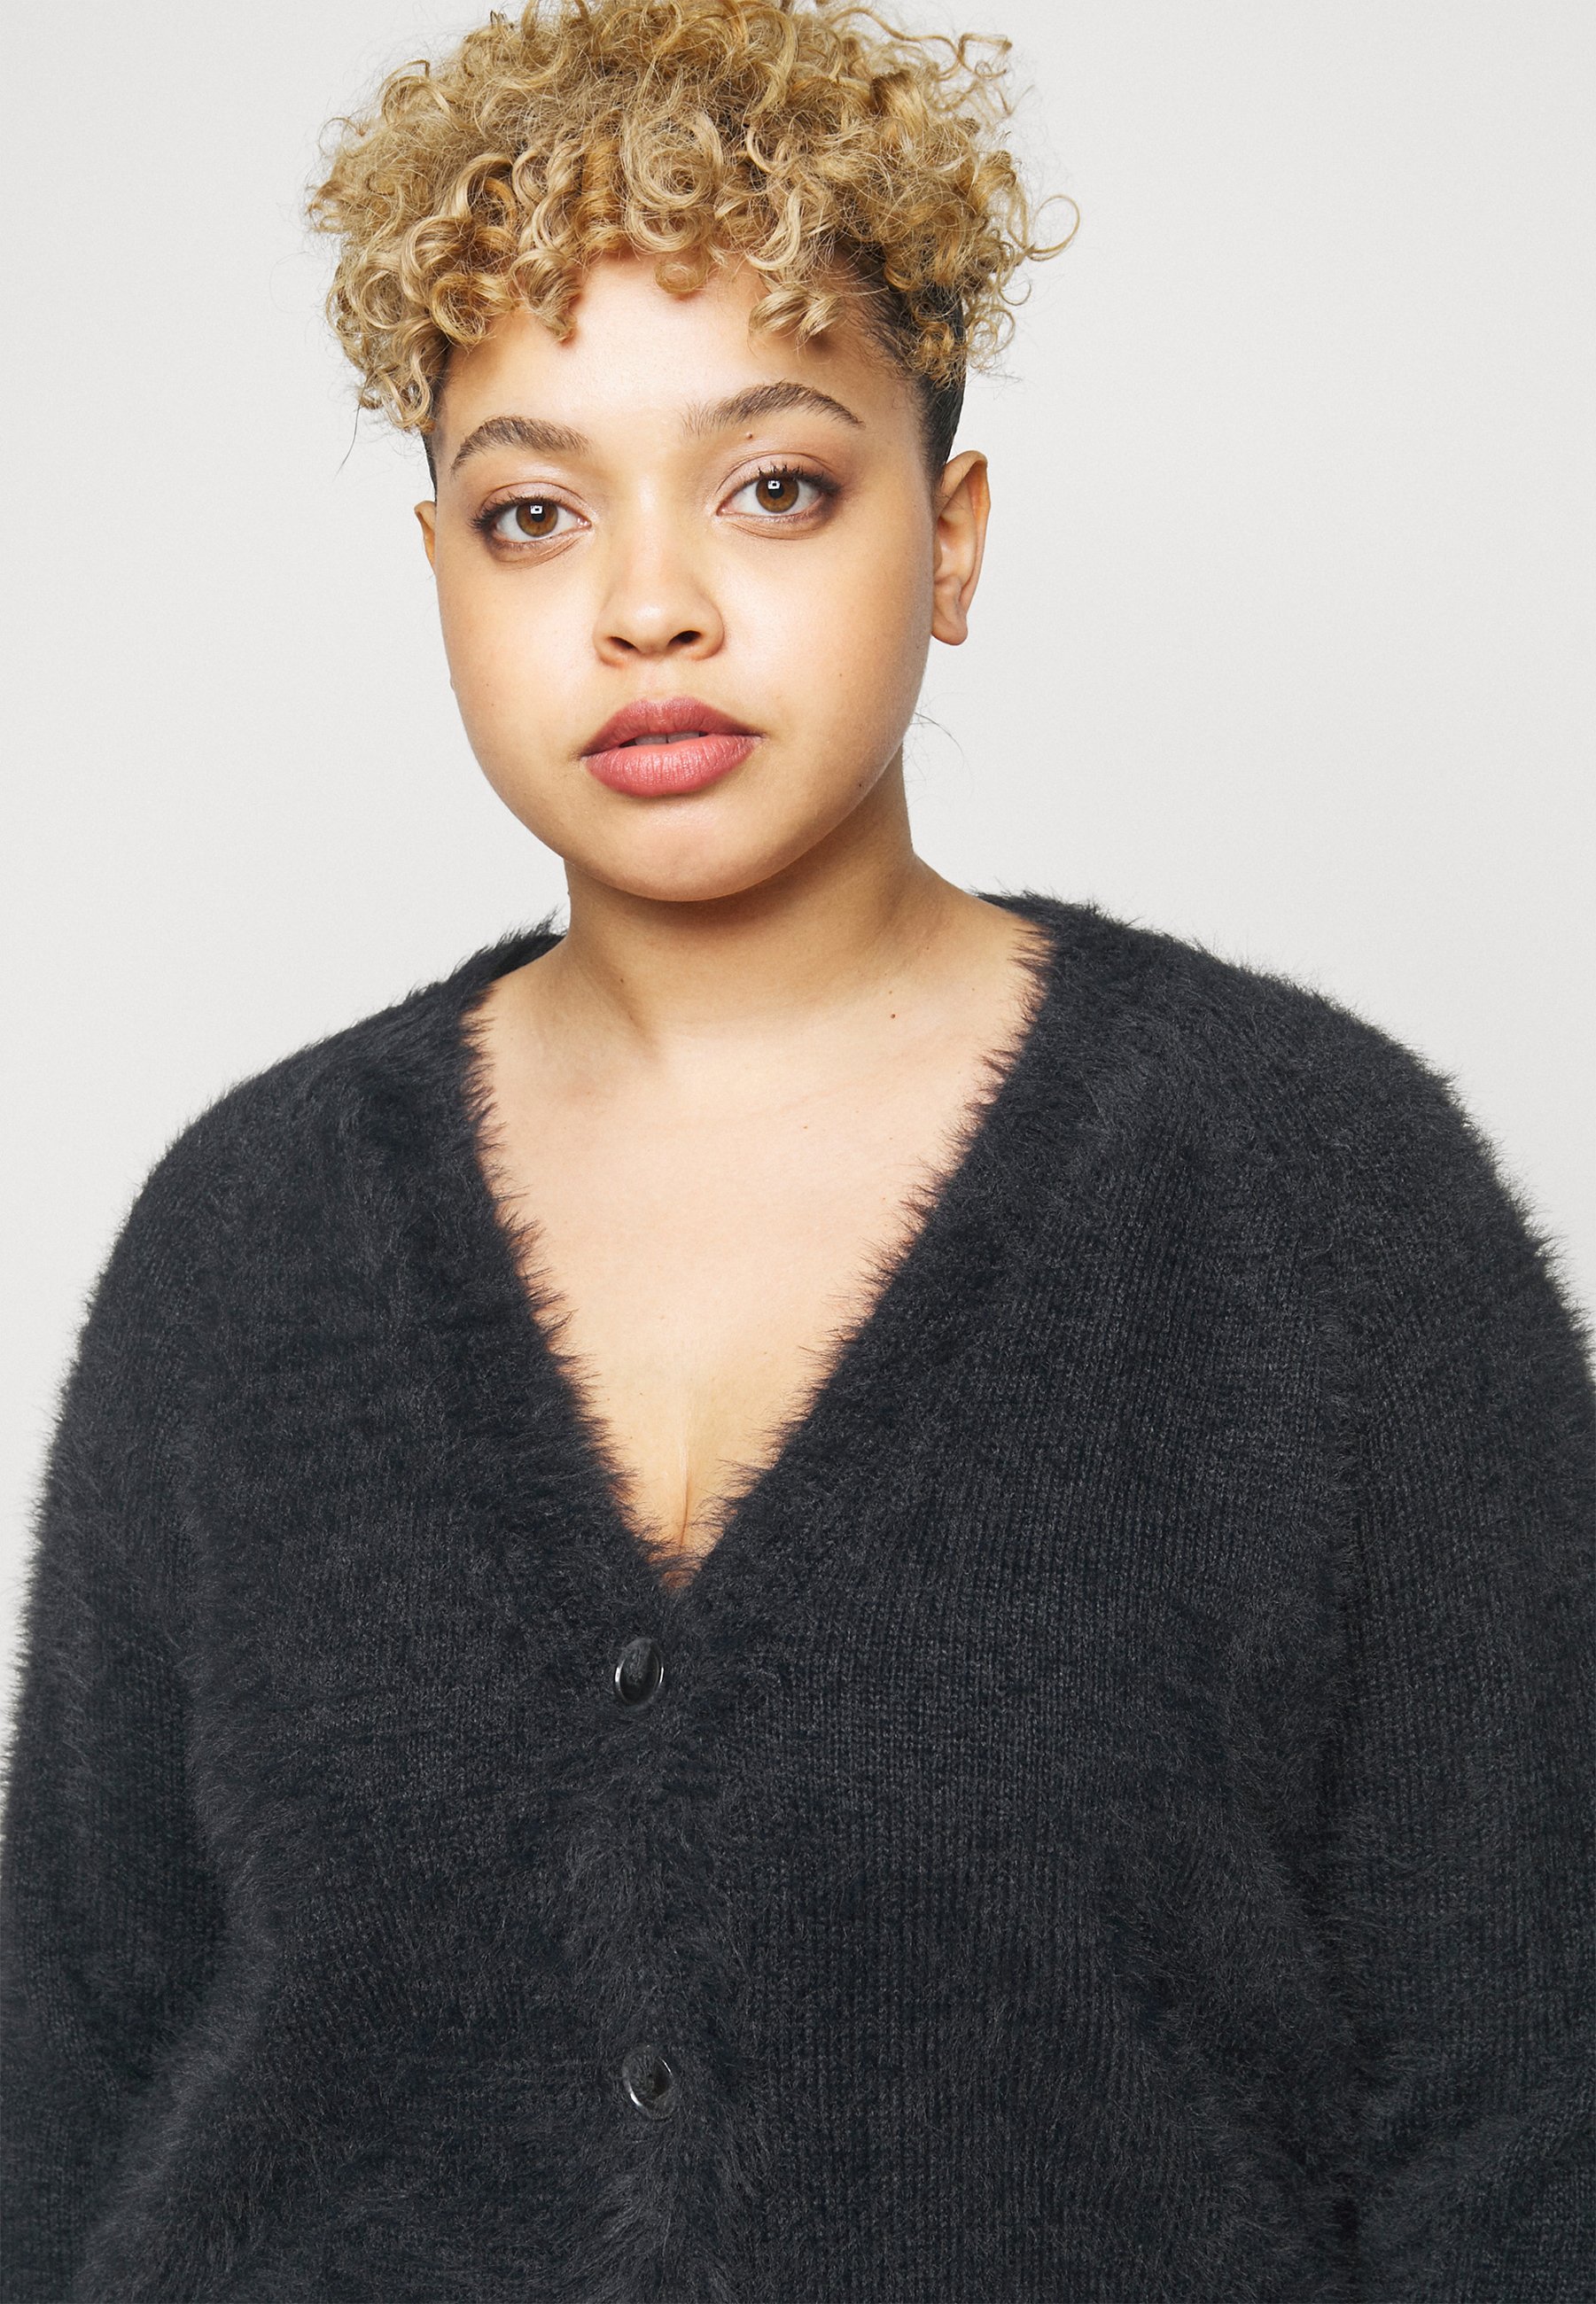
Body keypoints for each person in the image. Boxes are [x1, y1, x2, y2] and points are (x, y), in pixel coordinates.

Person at [1, 0, 1590, 2295]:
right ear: (437, 571)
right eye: (532, 513)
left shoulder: (1321, 1205)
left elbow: (1525, 2111)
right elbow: (69, 2084)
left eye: (772, 485)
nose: (647, 604)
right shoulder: (241, 1244)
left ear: (949, 536)